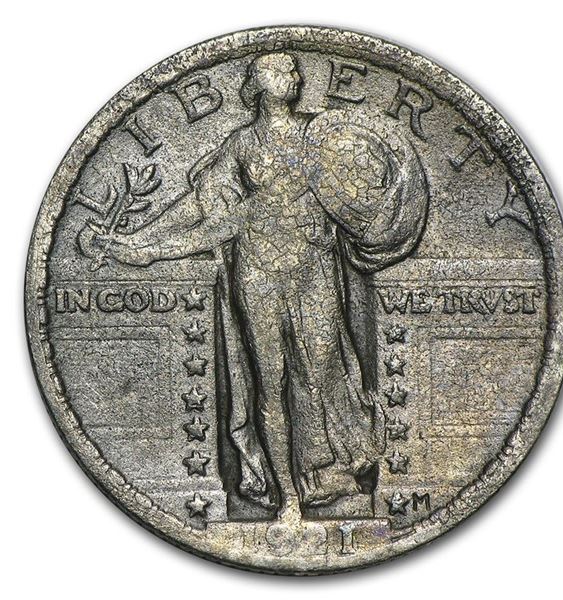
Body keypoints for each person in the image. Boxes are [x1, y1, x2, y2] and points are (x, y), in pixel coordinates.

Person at [79, 52, 429, 520]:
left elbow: (364, 191)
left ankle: (322, 475)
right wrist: (138, 243)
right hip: (257, 270)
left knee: (320, 371)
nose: (294, 75)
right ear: (259, 86)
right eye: (280, 71)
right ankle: (288, 498)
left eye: (293, 69)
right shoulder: (241, 144)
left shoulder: (321, 135)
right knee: (270, 383)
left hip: (313, 269)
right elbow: (200, 207)